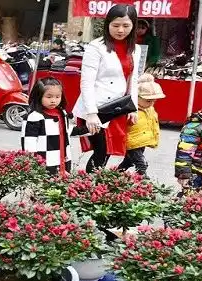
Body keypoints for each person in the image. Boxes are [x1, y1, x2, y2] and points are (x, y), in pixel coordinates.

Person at [72, 4, 141, 172]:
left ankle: (92, 187)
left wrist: (134, 108)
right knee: (101, 151)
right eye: (116, 25)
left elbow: (133, 79)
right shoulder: (96, 47)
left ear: (133, 26)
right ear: (107, 24)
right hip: (97, 107)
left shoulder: (135, 49)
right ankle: (86, 187)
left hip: (117, 107)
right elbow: (86, 81)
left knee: (108, 151)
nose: (120, 30)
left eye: (126, 25)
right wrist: (91, 113)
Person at [22, 77, 74, 175]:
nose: (53, 100)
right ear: (39, 96)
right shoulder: (35, 117)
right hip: (45, 161)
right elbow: (29, 142)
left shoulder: (62, 113)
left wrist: (88, 129)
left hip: (63, 159)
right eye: (49, 97)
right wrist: (32, 162)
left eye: (57, 97)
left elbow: (67, 131)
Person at [118, 74, 164, 179]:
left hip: (141, 141)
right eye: (148, 101)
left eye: (154, 101)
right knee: (141, 164)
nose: (151, 103)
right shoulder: (131, 110)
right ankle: (143, 181)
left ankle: (116, 174)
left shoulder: (150, 109)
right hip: (132, 142)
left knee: (127, 162)